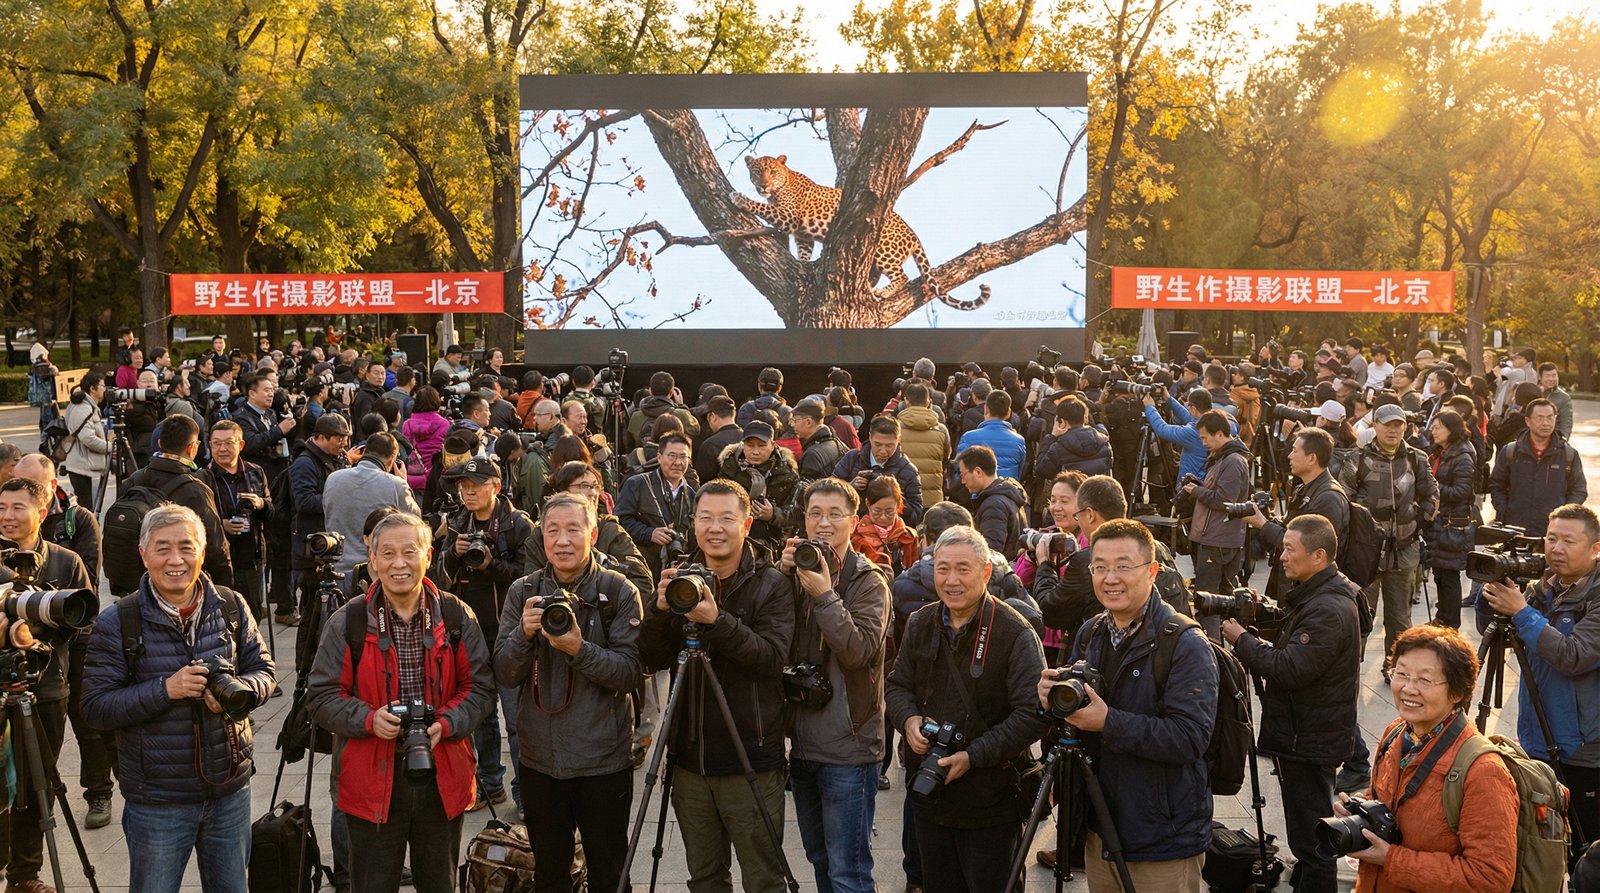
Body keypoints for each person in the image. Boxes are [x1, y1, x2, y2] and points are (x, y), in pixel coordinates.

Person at [81, 504, 275, 893]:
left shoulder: (231, 605)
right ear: (143, 554)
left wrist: (241, 693)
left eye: (186, 547)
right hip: (157, 799)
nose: (176, 560)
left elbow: (266, 672)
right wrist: (165, 690)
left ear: (202, 551)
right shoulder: (118, 621)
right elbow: (95, 708)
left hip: (229, 789)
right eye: (162, 548)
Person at [307, 512, 494, 893]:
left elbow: (480, 689)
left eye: (409, 552)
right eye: (387, 553)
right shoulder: (350, 621)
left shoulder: (455, 615)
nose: (398, 563)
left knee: (440, 883)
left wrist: (447, 723)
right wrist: (368, 719)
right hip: (371, 777)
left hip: (441, 773)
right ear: (371, 560)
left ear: (428, 555)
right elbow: (322, 696)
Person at [1039, 518, 1218, 891]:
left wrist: (1109, 722)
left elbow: (1190, 738)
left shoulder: (1184, 643)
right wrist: (1054, 703)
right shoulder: (1092, 632)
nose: (1110, 578)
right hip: (1100, 827)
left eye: (1123, 566)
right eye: (1100, 567)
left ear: (1152, 571)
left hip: (1161, 836)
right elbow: (1077, 721)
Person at [636, 480, 796, 890]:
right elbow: (651, 658)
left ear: (746, 525)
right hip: (690, 760)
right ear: (693, 524)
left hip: (752, 758)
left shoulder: (771, 582)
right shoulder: (682, 579)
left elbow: (771, 660)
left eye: (727, 518)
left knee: (763, 879)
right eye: (705, 518)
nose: (715, 528)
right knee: (704, 878)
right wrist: (659, 609)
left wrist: (717, 621)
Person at [495, 493, 644, 893]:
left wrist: (579, 650)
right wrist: (524, 635)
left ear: (593, 533)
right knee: (549, 874)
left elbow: (629, 673)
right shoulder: (522, 592)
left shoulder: (618, 590)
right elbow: (504, 674)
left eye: (573, 529)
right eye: (552, 531)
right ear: (541, 537)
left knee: (609, 873)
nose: (562, 540)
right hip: (541, 761)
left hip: (603, 762)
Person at [887, 525, 1047, 891]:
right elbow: (897, 686)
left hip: (989, 803)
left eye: (963, 569)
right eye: (942, 568)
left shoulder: (1014, 631)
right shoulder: (921, 621)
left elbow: (1033, 715)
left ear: (986, 571)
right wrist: (909, 720)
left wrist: (973, 756)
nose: (951, 580)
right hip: (929, 796)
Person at [1222, 514, 1362, 893]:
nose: (1281, 556)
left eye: (1289, 549)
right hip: (1308, 731)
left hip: (1308, 738)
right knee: (1308, 830)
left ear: (1318, 555)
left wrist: (1241, 640)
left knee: (1313, 838)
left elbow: (1288, 668)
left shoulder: (1328, 609)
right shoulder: (1322, 593)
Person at [1343, 624, 1518, 893]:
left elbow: (1490, 878)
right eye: (1401, 674)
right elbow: (1386, 800)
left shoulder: (1483, 770)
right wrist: (1361, 811)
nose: (1408, 689)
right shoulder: (1396, 733)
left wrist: (1391, 859)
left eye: (1425, 680)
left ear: (1458, 692)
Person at [780, 478, 891, 893]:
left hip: (848, 747)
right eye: (814, 514)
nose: (823, 523)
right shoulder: (793, 574)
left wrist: (825, 594)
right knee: (820, 860)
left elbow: (857, 651)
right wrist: (780, 577)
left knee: (849, 871)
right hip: (802, 744)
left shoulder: (868, 581)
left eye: (834, 514)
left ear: (853, 521)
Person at [1479, 503, 1600, 865]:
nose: (1556, 548)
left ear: (1595, 548)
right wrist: (1496, 595)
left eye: (1568, 541)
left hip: (1583, 751)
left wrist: (1521, 611)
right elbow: (1498, 625)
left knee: (1585, 854)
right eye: (1551, 538)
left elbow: (1573, 655)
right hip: (1537, 740)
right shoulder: (1542, 587)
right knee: (1536, 846)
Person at [0, 477, 96, 893]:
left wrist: (38, 629)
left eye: (17, 507)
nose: (7, 516)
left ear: (42, 512)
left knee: (39, 785)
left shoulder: (66, 561)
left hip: (47, 688)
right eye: (1, 507)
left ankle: (25, 874)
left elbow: (83, 624)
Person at [431, 456, 534, 813]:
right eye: (464, 487)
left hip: (510, 635)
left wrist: (492, 564)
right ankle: (491, 785)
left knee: (517, 720)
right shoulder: (457, 523)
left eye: (476, 486)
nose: (468, 492)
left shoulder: (518, 525)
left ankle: (525, 792)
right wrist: (453, 555)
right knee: (481, 716)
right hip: (468, 635)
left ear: (496, 487)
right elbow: (436, 582)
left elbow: (530, 577)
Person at [1340, 403, 1437, 661]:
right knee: (1359, 615)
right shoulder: (1357, 459)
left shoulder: (1417, 459)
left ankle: (1396, 665)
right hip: (1365, 554)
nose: (1392, 430)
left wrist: (1418, 522)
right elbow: (1342, 500)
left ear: (1406, 427)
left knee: (1400, 619)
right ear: (1375, 427)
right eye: (1387, 424)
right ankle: (1350, 666)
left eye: (1398, 425)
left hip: (1404, 551)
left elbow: (1431, 495)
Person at [122, 414, 235, 590]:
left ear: (159, 443)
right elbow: (216, 548)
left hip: (139, 582)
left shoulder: (133, 480)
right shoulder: (196, 490)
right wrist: (225, 589)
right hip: (182, 583)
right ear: (192, 449)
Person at [286, 413, 352, 641]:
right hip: (310, 549)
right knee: (311, 612)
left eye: (345, 438)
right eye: (339, 438)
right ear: (321, 438)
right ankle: (303, 666)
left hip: (330, 546)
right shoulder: (304, 463)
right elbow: (303, 502)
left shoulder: (336, 458)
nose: (343, 443)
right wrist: (338, 495)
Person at [323, 432, 421, 584]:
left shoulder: (333, 479)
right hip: (375, 574)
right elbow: (416, 524)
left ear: (365, 452)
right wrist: (404, 484)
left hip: (337, 570)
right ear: (392, 460)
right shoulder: (396, 485)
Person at [200, 421, 272, 619]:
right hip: (217, 561)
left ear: (240, 445)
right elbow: (194, 521)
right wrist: (221, 525)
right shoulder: (202, 478)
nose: (222, 449)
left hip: (251, 556)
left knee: (251, 616)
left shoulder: (255, 472)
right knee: (220, 619)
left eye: (228, 443)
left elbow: (271, 512)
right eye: (216, 443)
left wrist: (260, 504)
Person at [1183, 410, 1252, 612]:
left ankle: (1211, 641)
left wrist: (1196, 491)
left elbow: (1224, 501)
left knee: (1209, 601)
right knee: (1221, 598)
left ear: (1220, 434)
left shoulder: (1232, 460)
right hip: (1217, 537)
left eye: (1205, 437)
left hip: (1217, 540)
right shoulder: (1225, 457)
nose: (1203, 443)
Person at [1490, 398, 1586, 539]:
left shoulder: (1568, 454)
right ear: (1528, 421)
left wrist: (1564, 516)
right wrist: (1503, 510)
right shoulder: (1511, 452)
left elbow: (1579, 489)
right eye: (1539, 418)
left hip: (1553, 531)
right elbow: (1496, 484)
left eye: (1549, 418)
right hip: (1514, 527)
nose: (1545, 423)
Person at [713, 419, 800, 555]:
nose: (755, 452)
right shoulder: (730, 468)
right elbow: (717, 505)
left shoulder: (786, 472)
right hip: (735, 542)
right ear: (743, 445)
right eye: (750, 445)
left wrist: (773, 514)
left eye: (761, 446)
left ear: (772, 445)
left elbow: (797, 516)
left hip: (775, 546)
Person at [616, 432, 697, 576]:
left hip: (678, 571)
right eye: (672, 456)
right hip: (642, 569)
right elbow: (619, 522)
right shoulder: (637, 484)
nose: (678, 462)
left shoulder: (692, 495)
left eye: (683, 457)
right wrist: (649, 533)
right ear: (659, 457)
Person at [1425, 410, 1477, 628]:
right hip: (1440, 521)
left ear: (1451, 429)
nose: (1434, 431)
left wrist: (1433, 486)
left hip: (1453, 524)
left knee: (1449, 575)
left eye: (1439, 428)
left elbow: (1461, 491)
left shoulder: (1462, 456)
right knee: (1440, 573)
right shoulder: (1441, 452)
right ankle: (1442, 616)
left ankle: (1451, 623)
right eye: (1433, 427)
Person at [833, 415, 925, 526]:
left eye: (889, 445)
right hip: (852, 531)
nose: (883, 451)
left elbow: (915, 517)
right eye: (878, 444)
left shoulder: (908, 471)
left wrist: (891, 492)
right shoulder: (852, 459)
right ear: (870, 437)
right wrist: (850, 488)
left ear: (898, 440)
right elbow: (829, 495)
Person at [956, 445, 1027, 558]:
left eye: (963, 474)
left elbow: (990, 551)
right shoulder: (1007, 493)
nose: (962, 481)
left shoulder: (994, 505)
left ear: (978, 472)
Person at [62, 371, 113, 508]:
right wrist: (110, 447)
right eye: (103, 386)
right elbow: (88, 439)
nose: (105, 389)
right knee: (86, 509)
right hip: (82, 468)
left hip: (87, 466)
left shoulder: (88, 406)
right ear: (92, 388)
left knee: (89, 508)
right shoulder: (82, 407)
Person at [852, 475, 920, 577]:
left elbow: (915, 575)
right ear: (867, 504)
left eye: (889, 511)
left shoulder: (908, 537)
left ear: (898, 505)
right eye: (877, 511)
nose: (883, 517)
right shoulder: (855, 537)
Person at [1034, 395, 1112, 484]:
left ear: (1061, 421)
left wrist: (1052, 437)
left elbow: (1041, 470)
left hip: (1068, 495)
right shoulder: (1104, 442)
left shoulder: (1058, 448)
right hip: (1094, 494)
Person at [954, 390, 1026, 482]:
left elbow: (959, 471)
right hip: (1007, 492)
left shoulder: (968, 437)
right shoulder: (1019, 441)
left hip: (977, 493)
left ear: (986, 409)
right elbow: (1019, 472)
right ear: (1009, 413)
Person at [895, 383, 950, 505]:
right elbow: (945, 459)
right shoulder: (942, 430)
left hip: (903, 498)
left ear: (906, 401)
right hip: (933, 499)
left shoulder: (895, 429)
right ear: (929, 402)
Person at [695, 394, 743, 484]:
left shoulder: (710, 445)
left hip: (720, 495)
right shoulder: (748, 439)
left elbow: (703, 481)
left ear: (712, 416)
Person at [1539, 362, 1574, 441]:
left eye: (1554, 375)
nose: (1551, 379)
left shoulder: (1564, 397)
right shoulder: (1534, 392)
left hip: (1553, 440)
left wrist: (1563, 441)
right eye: (1547, 376)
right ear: (1540, 377)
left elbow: (1566, 423)